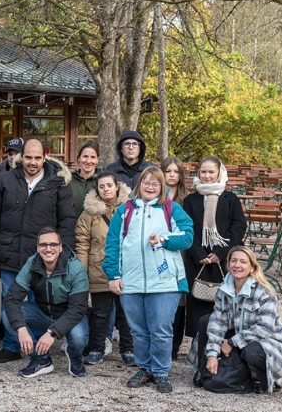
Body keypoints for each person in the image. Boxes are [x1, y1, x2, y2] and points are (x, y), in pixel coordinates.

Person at [0, 138, 76, 363]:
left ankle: (38, 349)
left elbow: (66, 221)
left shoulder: (58, 184)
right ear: (20, 158)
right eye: (28, 157)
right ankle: (12, 345)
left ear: (45, 157)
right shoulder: (3, 180)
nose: (32, 162)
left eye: (37, 157)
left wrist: (62, 253)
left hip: (43, 258)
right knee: (9, 302)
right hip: (9, 253)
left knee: (38, 303)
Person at [103, 166, 194, 393]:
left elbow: (187, 236)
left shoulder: (171, 208)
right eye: (146, 182)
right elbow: (113, 244)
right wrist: (113, 275)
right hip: (131, 282)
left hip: (164, 281)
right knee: (138, 330)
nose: (150, 187)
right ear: (139, 184)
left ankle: (161, 371)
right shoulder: (124, 210)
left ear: (162, 187)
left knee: (161, 329)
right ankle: (144, 368)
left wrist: (163, 239)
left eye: (155, 184)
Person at [195, 247, 282, 394]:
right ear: (228, 264)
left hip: (267, 340)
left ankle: (263, 379)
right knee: (206, 321)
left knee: (252, 351)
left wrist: (232, 342)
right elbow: (217, 322)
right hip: (239, 332)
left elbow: (264, 328)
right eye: (233, 261)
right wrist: (213, 353)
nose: (237, 265)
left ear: (252, 267)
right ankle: (206, 370)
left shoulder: (265, 291)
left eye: (243, 262)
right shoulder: (223, 289)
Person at [3, 227, 90, 378]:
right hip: (41, 312)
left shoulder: (75, 267)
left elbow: (78, 308)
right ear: (37, 248)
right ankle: (41, 360)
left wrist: (52, 333)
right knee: (7, 316)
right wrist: (21, 329)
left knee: (78, 337)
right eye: (43, 245)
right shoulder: (32, 263)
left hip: (69, 315)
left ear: (60, 247)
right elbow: (12, 299)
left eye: (53, 244)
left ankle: (75, 357)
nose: (48, 249)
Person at [183, 156, 247, 339]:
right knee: (198, 311)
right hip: (199, 260)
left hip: (224, 260)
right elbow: (187, 228)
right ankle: (201, 353)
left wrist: (220, 252)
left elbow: (238, 226)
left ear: (219, 172)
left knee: (225, 308)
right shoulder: (190, 200)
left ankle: (224, 353)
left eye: (211, 172)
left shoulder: (230, 198)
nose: (207, 176)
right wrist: (198, 253)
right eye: (203, 172)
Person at [74, 172, 134, 365]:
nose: (106, 189)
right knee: (100, 312)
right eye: (102, 186)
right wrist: (82, 271)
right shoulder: (89, 213)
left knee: (126, 313)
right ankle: (97, 348)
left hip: (125, 268)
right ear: (97, 189)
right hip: (98, 268)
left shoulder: (131, 208)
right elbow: (82, 243)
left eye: (109, 185)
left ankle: (128, 349)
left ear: (117, 186)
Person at [162, 155, 188, 359]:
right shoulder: (153, 196)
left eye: (175, 171)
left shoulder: (187, 200)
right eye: (167, 171)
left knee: (179, 303)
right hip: (157, 254)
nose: (171, 175)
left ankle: (173, 347)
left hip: (181, 256)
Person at [70, 140, 101, 219]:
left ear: (97, 159)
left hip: (96, 229)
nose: (88, 161)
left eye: (93, 157)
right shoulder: (68, 181)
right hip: (71, 228)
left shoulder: (103, 181)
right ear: (79, 158)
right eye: (85, 156)